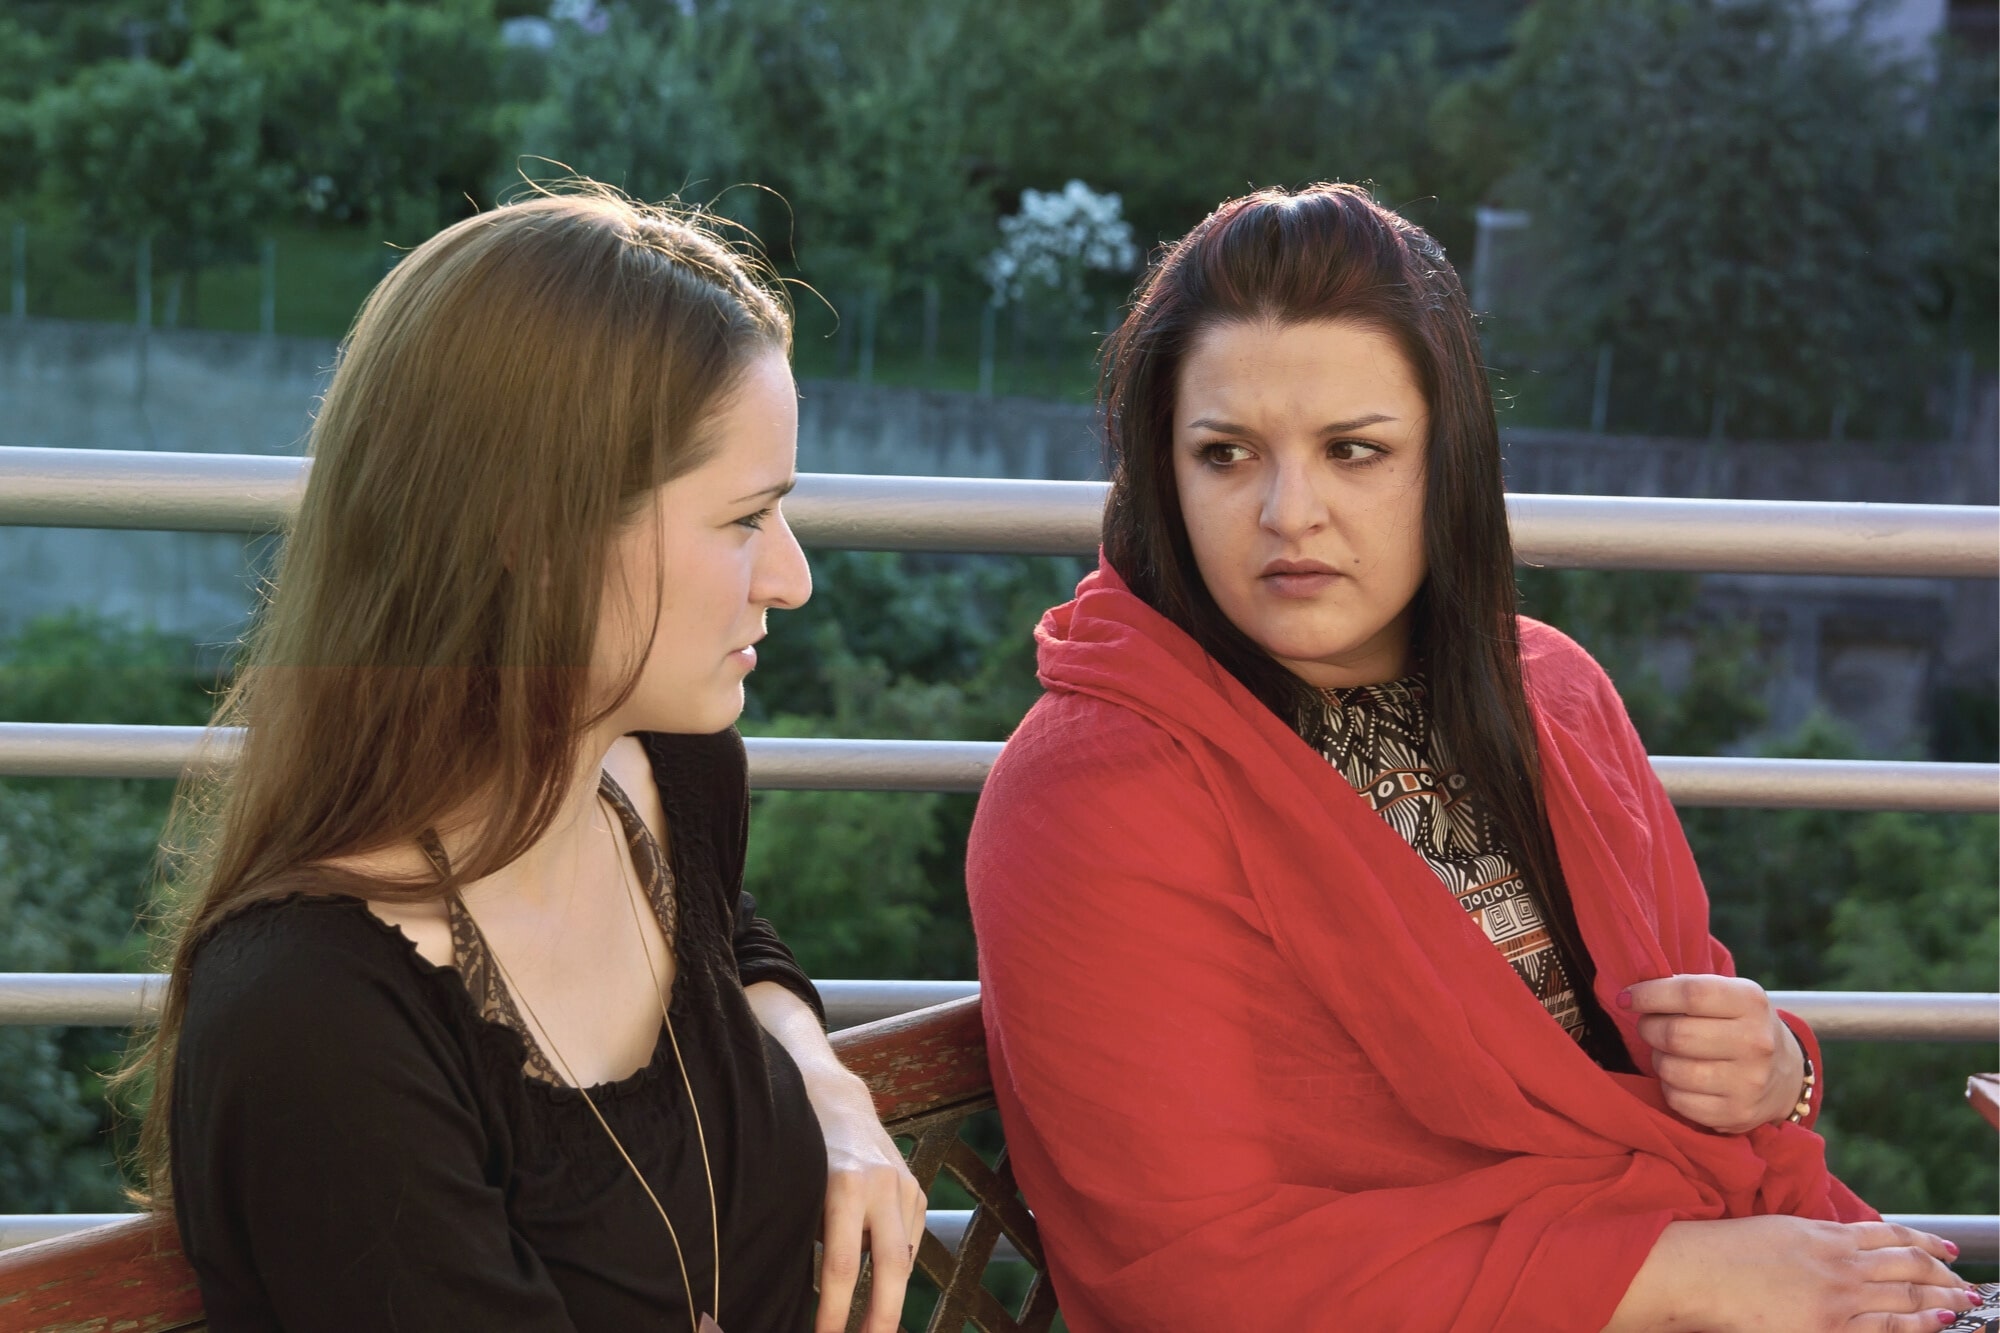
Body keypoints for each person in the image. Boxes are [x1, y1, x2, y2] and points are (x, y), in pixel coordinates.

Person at [965, 184, 1995, 1332]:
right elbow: (1195, 1277)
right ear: (1163, 473)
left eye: (1353, 450)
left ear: (1444, 461)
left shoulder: (1551, 692)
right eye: (1225, 454)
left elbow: (1696, 1045)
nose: (1288, 512)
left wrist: (1774, 1071)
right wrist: (1688, 1277)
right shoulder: (1088, 796)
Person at [124, 188, 927, 1333]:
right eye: (744, 520)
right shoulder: (315, 1023)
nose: (790, 578)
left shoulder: (673, 780)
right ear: (537, 534)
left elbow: (729, 938)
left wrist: (825, 1083)